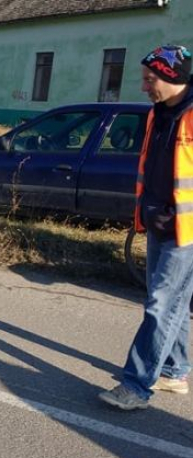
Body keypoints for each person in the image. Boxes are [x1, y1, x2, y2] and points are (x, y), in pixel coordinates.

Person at [99, 45, 193, 410]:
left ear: (172, 77)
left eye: (149, 79)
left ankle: (136, 386)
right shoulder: (158, 113)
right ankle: (175, 371)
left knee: (160, 306)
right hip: (157, 221)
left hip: (185, 231)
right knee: (175, 304)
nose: (143, 87)